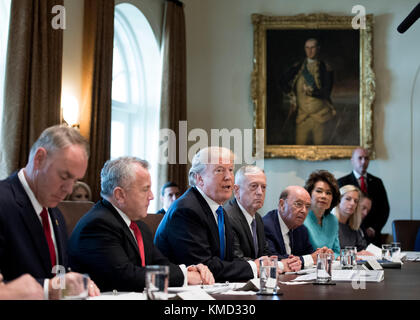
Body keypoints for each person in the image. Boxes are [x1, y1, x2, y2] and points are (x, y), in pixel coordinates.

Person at [68, 157, 214, 292]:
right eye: (145, 189)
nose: (151, 196)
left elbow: (161, 264)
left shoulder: (139, 227)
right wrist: (184, 277)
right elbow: (126, 277)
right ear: (119, 195)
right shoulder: (98, 225)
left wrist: (189, 270)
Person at [0, 125, 100, 300]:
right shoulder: (3, 201)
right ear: (39, 158)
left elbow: (56, 277)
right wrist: (47, 288)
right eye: (64, 176)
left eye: (75, 180)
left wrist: (76, 283)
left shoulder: (56, 215)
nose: (69, 189)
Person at [154, 147, 259, 282]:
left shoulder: (219, 210)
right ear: (199, 179)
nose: (228, 177)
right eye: (219, 170)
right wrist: (254, 268)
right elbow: (205, 267)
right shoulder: (186, 210)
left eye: (231, 170)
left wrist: (261, 264)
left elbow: (228, 260)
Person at [224, 166, 301, 272]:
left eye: (263, 187)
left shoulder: (258, 218)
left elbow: (265, 254)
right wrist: (280, 265)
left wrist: (288, 261)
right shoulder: (227, 217)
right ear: (236, 191)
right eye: (254, 186)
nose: (260, 192)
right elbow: (237, 260)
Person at [264, 186, 334, 270]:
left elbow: (308, 254)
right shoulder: (266, 226)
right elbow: (273, 259)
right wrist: (311, 258)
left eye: (307, 206)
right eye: (298, 204)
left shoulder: (301, 229)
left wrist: (320, 255)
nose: (304, 210)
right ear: (282, 205)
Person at [283, 38, 336, 145]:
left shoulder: (325, 68)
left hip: (320, 117)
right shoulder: (298, 67)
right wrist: (292, 95)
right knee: (299, 150)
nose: (310, 51)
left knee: (320, 151)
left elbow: (326, 93)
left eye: (312, 48)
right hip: (302, 117)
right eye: (307, 48)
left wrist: (311, 92)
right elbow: (282, 81)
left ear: (318, 49)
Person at [337, 147, 390, 246]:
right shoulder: (342, 182)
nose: (363, 161)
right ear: (352, 161)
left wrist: (373, 228)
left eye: (366, 158)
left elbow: (384, 209)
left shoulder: (377, 182)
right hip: (349, 230)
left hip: (373, 236)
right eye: (360, 158)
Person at [303, 170, 341, 257]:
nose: (324, 196)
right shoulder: (301, 218)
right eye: (319, 191)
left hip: (329, 266)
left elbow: (337, 252)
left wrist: (328, 256)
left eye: (328, 193)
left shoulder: (333, 220)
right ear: (309, 193)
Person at [332, 185, 372, 255]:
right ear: (339, 200)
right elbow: (329, 253)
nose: (352, 203)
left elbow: (363, 249)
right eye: (348, 199)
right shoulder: (330, 223)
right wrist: (354, 254)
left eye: (355, 201)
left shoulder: (355, 228)